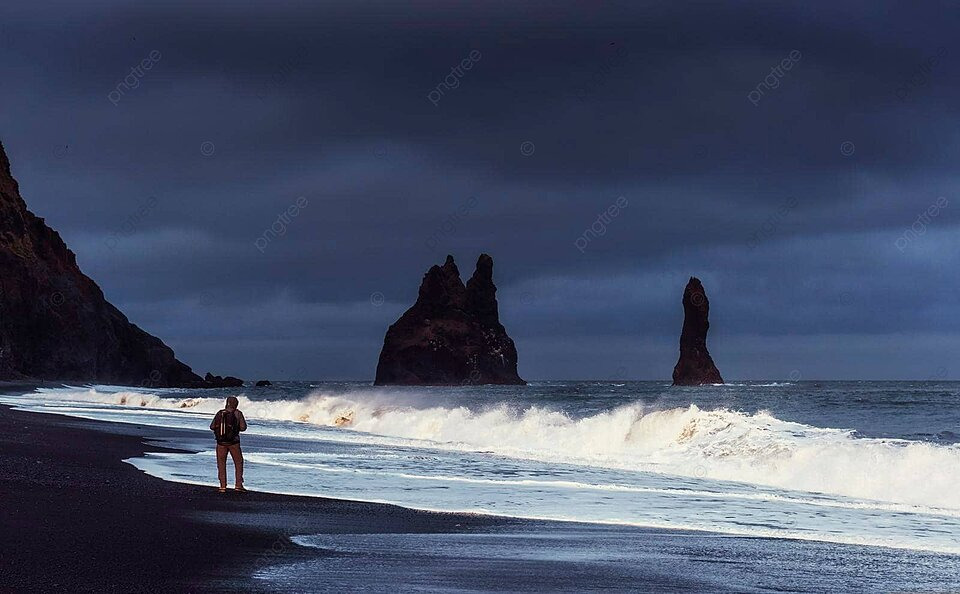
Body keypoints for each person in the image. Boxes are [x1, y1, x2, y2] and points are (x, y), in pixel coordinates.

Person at [210, 396, 248, 493]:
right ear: (236, 404)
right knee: (238, 462)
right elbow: (243, 428)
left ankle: (222, 486)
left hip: (220, 442)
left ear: (227, 403)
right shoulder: (238, 413)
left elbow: (212, 426)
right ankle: (238, 485)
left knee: (221, 463)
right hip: (234, 442)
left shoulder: (220, 413)